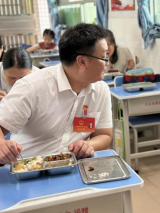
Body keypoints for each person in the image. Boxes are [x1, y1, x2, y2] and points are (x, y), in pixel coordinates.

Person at [0, 23, 112, 164]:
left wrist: (89, 145)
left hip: (73, 167)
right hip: (29, 168)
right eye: (104, 57)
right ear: (82, 62)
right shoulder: (32, 87)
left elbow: (104, 135)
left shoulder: (101, 90)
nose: (107, 63)